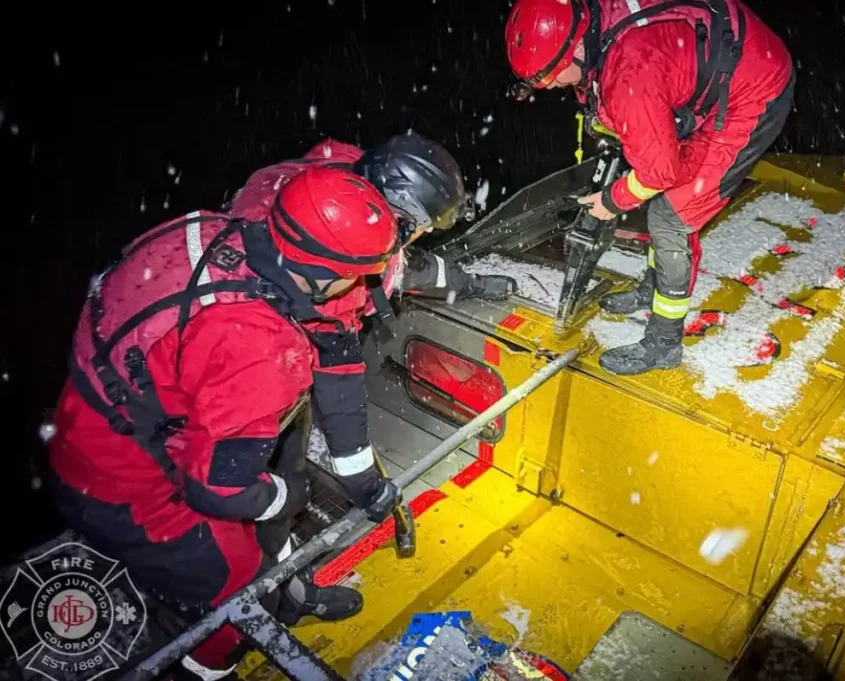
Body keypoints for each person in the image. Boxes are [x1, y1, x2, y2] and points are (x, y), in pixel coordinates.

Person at [49, 166, 404, 679]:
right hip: (119, 479)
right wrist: (286, 495)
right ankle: (204, 667)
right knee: (238, 591)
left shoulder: (221, 231)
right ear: (322, 271)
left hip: (103, 417)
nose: (368, 283)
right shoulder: (259, 349)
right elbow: (218, 490)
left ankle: (288, 601)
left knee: (259, 535)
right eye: (363, 272)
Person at [505, 0, 795, 375]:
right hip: (727, 62)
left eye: (549, 77)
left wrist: (612, 200)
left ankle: (663, 344)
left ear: (576, 47)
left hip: (754, 91)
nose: (549, 88)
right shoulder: (597, 26)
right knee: (656, 188)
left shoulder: (629, 72)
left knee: (670, 217)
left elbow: (660, 172)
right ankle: (651, 288)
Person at [228, 132, 517, 314]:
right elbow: (415, 271)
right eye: (423, 227)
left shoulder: (342, 172)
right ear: (398, 217)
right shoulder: (338, 259)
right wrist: (473, 285)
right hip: (253, 319)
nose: (425, 233)